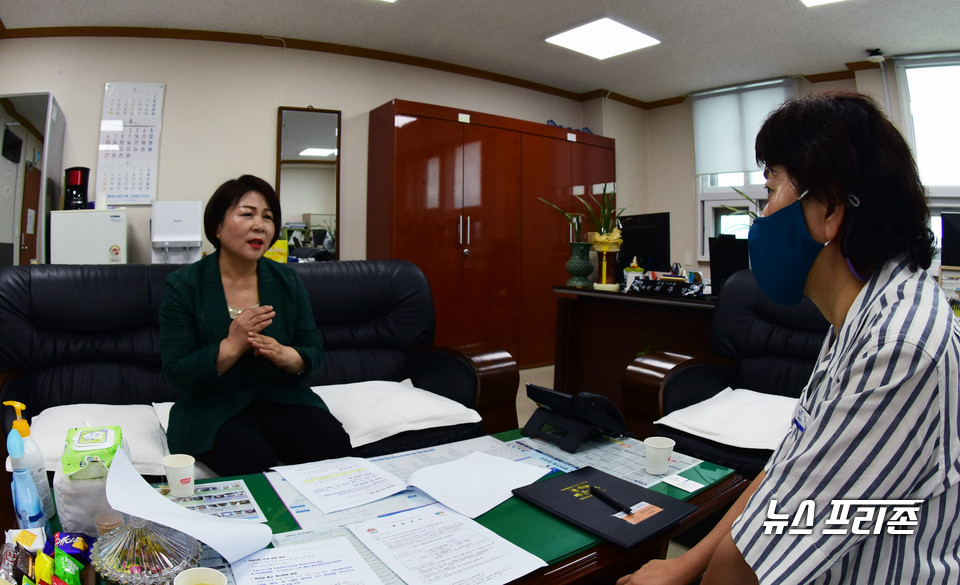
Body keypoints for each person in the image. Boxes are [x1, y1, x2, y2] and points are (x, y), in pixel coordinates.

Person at [618, 92, 960, 584]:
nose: (761, 214)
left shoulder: (898, 346)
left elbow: (751, 563)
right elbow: (784, 474)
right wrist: (683, 565)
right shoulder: (860, 315)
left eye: (771, 188)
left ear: (830, 210)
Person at [159, 174, 352, 476]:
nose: (259, 225)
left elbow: (313, 350)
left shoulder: (287, 281)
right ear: (218, 227)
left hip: (282, 396)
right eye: (247, 214)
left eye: (268, 217)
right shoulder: (184, 285)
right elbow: (176, 372)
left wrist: (290, 357)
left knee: (331, 446)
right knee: (249, 459)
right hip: (213, 404)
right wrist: (230, 346)